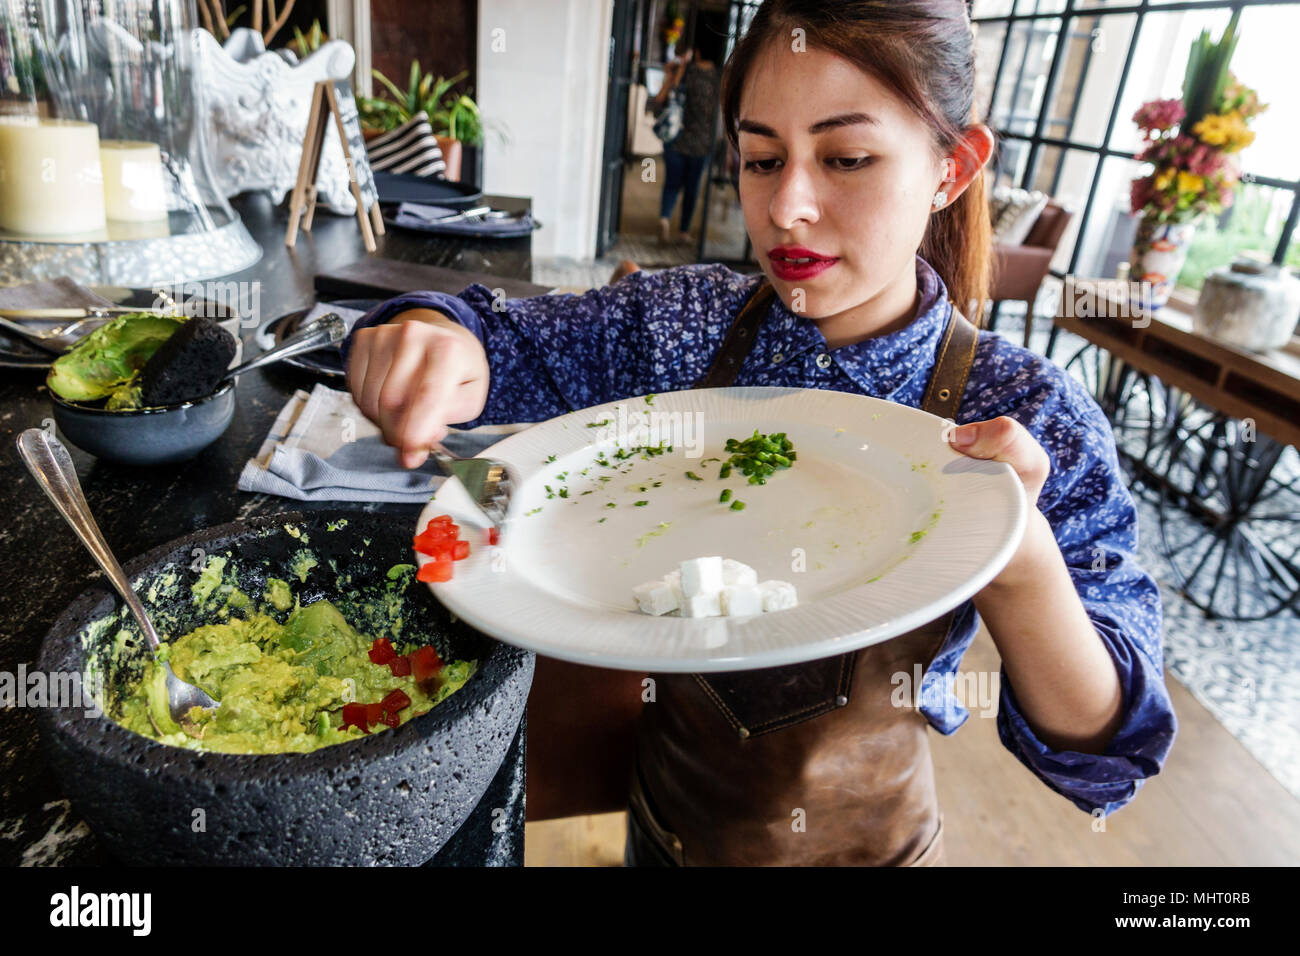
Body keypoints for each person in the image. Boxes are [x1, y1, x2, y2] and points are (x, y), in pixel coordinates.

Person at [341, 0, 1177, 866]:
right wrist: (432, 333)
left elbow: (1106, 751)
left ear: (952, 166)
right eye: (761, 158)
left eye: (846, 158)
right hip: (664, 825)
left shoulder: (1027, 412)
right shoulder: (684, 323)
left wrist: (1020, 553)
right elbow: (500, 341)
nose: (788, 208)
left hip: (875, 845)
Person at [648, 13, 728, 244]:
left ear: (698, 50)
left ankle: (664, 219)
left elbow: (660, 101)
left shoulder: (684, 72)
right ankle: (683, 231)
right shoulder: (720, 78)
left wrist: (671, 76)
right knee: (692, 190)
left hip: (676, 137)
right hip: (703, 144)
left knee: (672, 184)